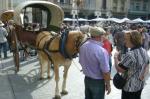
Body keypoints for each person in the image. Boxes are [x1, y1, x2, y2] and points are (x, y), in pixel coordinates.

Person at [114, 30, 149, 99]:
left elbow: (120, 69)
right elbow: (147, 64)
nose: (124, 41)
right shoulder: (143, 50)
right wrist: (143, 75)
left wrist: (115, 58)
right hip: (140, 85)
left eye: (126, 39)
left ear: (133, 40)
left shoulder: (130, 54)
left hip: (130, 87)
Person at [79, 26, 111, 99]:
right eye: (103, 35)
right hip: (98, 82)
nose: (104, 37)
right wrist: (108, 85)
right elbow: (106, 72)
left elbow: (81, 61)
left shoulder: (83, 46)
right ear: (99, 36)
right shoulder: (101, 51)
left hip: (87, 79)